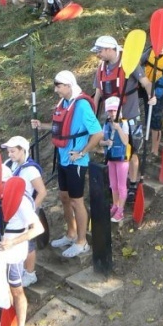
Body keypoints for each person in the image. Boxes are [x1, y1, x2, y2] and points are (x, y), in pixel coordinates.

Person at [30, 70, 102, 258]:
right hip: (62, 158)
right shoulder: (64, 103)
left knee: (77, 201)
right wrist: (42, 125)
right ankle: (71, 233)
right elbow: (60, 126)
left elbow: (98, 133)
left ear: (69, 85)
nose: (56, 90)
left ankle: (82, 241)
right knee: (64, 197)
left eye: (58, 86)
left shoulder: (82, 105)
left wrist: (82, 152)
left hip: (76, 161)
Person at [0, 164, 44, 326]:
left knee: (17, 290)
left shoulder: (21, 201)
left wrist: (13, 242)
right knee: (2, 287)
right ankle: (8, 323)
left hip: (14, 251)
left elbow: (37, 229)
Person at [90, 35, 155, 202]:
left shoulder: (129, 63)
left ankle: (133, 184)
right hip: (110, 120)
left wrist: (151, 95)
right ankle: (117, 186)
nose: (98, 55)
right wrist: (93, 118)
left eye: (100, 51)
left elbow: (146, 83)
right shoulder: (101, 69)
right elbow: (97, 95)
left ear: (109, 49)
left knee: (131, 152)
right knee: (113, 152)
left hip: (129, 116)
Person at [1, 135, 47, 287]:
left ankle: (30, 272)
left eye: (13, 151)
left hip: (25, 211)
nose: (10, 154)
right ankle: (20, 269)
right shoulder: (10, 164)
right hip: (13, 212)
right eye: (8, 152)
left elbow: (42, 192)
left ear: (23, 150)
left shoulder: (31, 170)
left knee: (29, 243)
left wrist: (32, 210)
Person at [101, 96, 130, 223]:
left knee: (121, 185)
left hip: (122, 159)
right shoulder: (106, 124)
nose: (112, 113)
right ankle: (115, 204)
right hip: (111, 158)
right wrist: (106, 142)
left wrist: (118, 128)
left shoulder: (124, 123)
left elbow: (125, 141)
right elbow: (100, 141)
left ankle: (121, 210)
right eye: (110, 111)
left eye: (114, 110)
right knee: (113, 185)